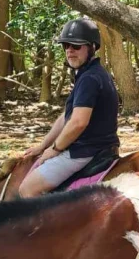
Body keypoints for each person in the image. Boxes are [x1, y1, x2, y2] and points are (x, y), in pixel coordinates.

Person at [19, 18, 120, 198]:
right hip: (100, 146)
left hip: (84, 151)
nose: (69, 50)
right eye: (66, 45)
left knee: (27, 189)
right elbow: (67, 117)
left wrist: (55, 149)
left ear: (92, 47)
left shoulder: (89, 79)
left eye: (76, 46)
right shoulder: (92, 73)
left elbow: (78, 122)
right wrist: (43, 146)